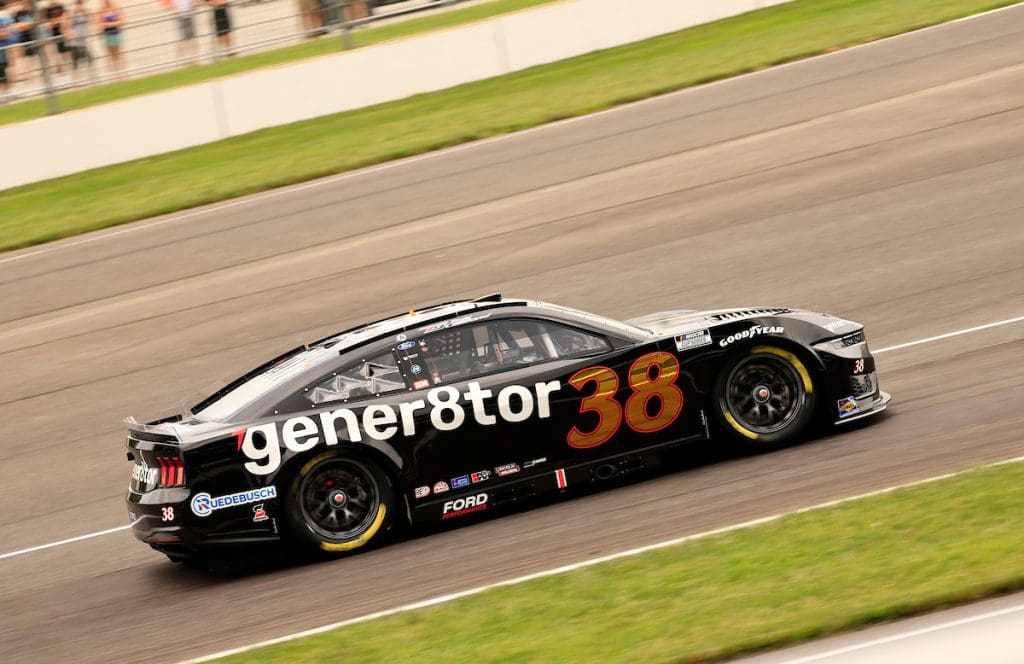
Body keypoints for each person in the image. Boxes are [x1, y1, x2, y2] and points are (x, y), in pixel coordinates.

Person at [63, 0, 91, 83]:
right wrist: (72, 13)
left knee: (87, 58)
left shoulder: (85, 12)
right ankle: (75, 79)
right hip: (73, 40)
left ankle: (82, 78)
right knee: (75, 60)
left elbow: (89, 20)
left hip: (82, 39)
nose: (79, 6)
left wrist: (83, 11)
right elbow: (67, 26)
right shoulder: (71, 13)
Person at [96, 0, 122, 74]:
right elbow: (99, 23)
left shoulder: (115, 8)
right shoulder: (101, 10)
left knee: (117, 55)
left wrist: (110, 24)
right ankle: (112, 74)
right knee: (109, 56)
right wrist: (104, 26)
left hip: (116, 34)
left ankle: (119, 73)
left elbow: (122, 20)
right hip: (107, 35)